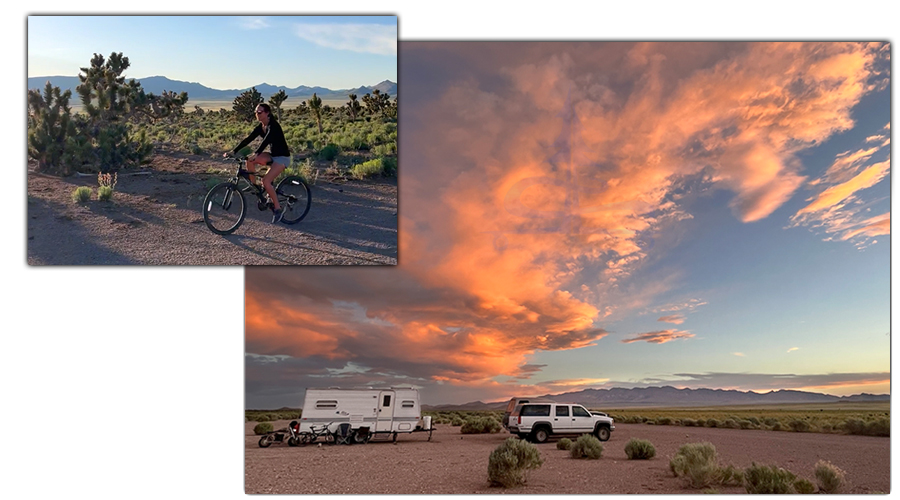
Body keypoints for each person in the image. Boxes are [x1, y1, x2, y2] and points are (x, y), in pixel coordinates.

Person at [226, 103, 291, 223]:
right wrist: (233, 151)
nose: (257, 114)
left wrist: (257, 152)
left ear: (267, 113)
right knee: (249, 160)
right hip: (272, 156)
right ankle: (255, 187)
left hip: (282, 158)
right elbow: (248, 139)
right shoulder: (261, 126)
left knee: (265, 181)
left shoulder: (273, 126)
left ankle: (277, 208)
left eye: (259, 112)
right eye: (256, 112)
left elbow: (266, 141)